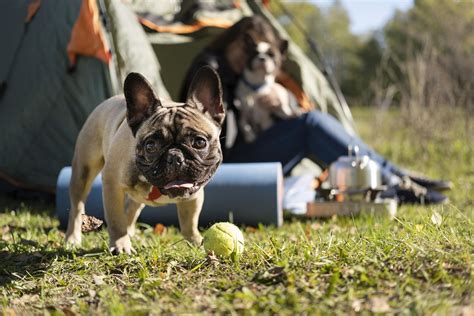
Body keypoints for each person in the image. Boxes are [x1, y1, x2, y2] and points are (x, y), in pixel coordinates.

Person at [181, 16, 451, 204]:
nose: (251, 58)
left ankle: (396, 174)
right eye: (246, 47)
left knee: (309, 120)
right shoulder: (211, 68)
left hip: (246, 153)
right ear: (234, 41)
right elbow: (214, 129)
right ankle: (391, 184)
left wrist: (281, 104)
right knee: (309, 125)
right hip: (228, 163)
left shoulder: (244, 74)